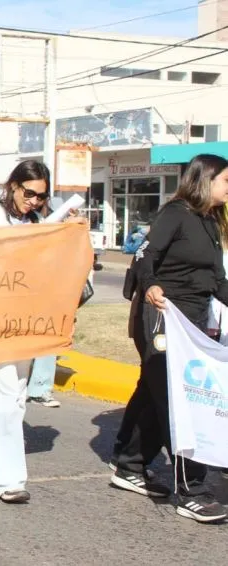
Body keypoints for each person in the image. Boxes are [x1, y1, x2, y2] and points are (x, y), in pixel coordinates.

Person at [112, 154, 228, 523]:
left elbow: (217, 280)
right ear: (205, 180)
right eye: (226, 180)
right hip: (162, 313)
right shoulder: (175, 214)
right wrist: (151, 285)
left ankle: (128, 464)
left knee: (153, 389)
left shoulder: (209, 220)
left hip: (192, 318)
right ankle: (192, 490)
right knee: (183, 398)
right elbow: (145, 255)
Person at [0, 160, 84, 504]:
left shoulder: (31, 220)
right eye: (29, 193)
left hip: (24, 319)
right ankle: (8, 480)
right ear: (14, 185)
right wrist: (52, 230)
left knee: (15, 395)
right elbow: (8, 251)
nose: (34, 201)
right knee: (0, 392)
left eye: (41, 196)